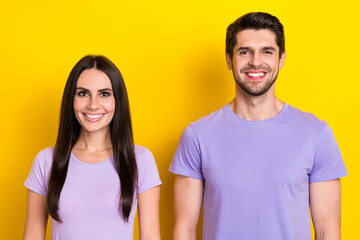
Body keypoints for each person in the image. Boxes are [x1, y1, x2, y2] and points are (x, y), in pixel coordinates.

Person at [169, 12, 347, 240]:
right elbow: (184, 230)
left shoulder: (316, 134)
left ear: (281, 59)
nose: (255, 61)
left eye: (267, 51)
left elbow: (328, 231)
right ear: (228, 59)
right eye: (245, 52)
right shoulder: (197, 136)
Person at [24, 55, 162, 240]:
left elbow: (151, 236)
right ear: (71, 99)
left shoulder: (140, 159)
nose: (93, 105)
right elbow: (32, 236)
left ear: (117, 100)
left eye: (104, 94)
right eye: (83, 93)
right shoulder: (46, 161)